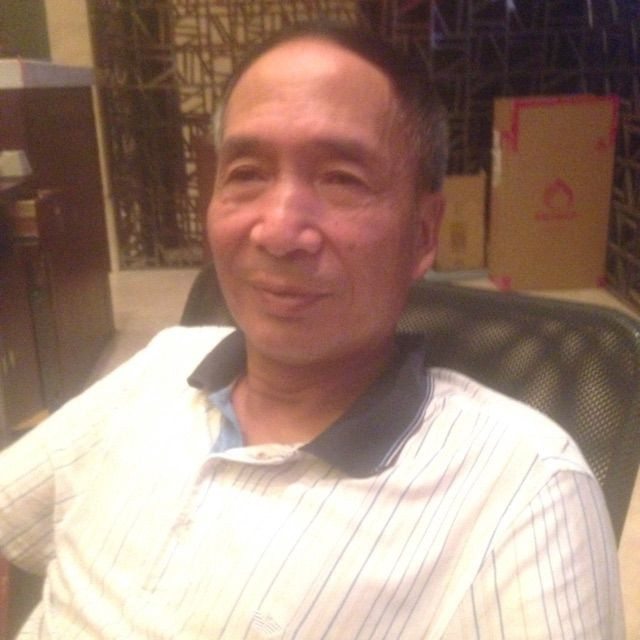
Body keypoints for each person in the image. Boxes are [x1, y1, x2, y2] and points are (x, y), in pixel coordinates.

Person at [0, 22, 623, 640]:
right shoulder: (162, 365)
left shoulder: (524, 493)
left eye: (341, 179)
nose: (277, 231)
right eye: (246, 172)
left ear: (423, 234)